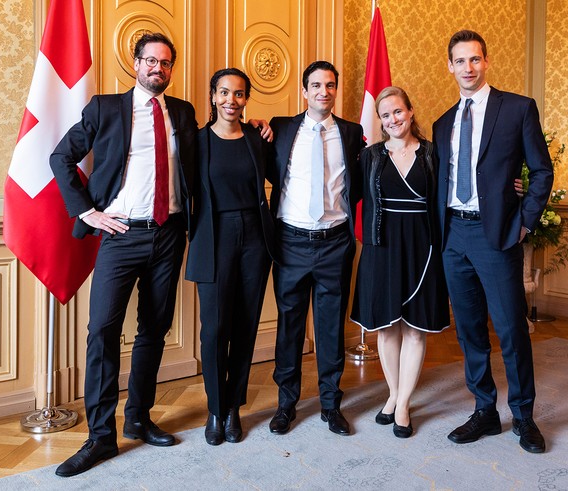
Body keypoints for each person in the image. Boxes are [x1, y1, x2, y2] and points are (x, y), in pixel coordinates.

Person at [49, 32, 198, 477]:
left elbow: (211, 149)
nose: (158, 68)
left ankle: (138, 416)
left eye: (166, 63)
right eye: (151, 61)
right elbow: (61, 158)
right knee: (103, 333)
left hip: (168, 235)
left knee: (154, 330)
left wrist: (258, 129)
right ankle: (100, 438)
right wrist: (87, 212)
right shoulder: (105, 108)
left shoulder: (184, 113)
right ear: (136, 64)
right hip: (119, 236)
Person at [432, 30, 554, 453]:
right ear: (449, 66)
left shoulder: (517, 108)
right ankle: (485, 411)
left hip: (498, 233)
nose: (468, 68)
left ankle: (523, 416)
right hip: (453, 235)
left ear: (486, 62)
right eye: (460, 61)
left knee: (510, 329)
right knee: (469, 331)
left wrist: (524, 222)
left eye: (475, 59)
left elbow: (541, 171)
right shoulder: (442, 122)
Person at [266, 61, 365, 436]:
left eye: (330, 85)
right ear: (304, 92)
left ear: (336, 91)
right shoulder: (280, 127)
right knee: (289, 326)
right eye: (316, 85)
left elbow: (358, 183)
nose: (324, 91)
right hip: (290, 242)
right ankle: (285, 405)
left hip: (335, 242)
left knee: (329, 327)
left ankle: (330, 405)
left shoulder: (352, 133)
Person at [350, 86, 451, 439]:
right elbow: (344, 192)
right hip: (382, 246)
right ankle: (392, 394)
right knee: (386, 327)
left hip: (422, 247)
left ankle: (404, 403)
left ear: (410, 112)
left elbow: (450, 196)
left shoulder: (432, 154)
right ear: (379, 121)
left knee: (415, 328)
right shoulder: (370, 156)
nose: (393, 119)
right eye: (385, 115)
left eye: (398, 111)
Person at [184, 68, 277, 446]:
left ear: (246, 100)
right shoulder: (197, 141)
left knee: (245, 326)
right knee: (215, 330)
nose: (230, 101)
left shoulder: (257, 137)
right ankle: (215, 407)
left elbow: (284, 170)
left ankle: (234, 406)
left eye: (238, 94)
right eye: (224, 93)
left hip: (255, 236)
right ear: (212, 96)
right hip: (214, 236)